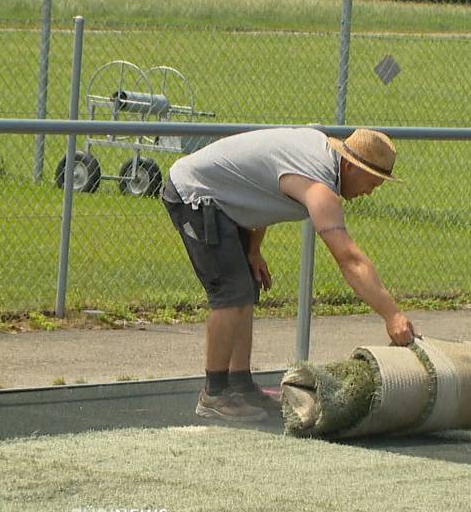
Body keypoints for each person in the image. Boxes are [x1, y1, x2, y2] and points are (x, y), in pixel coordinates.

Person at [162, 127, 416, 422]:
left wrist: (253, 250)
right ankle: (214, 394)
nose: (369, 192)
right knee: (230, 294)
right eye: (371, 182)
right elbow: (349, 259)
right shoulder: (319, 188)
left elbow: (260, 189)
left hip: (224, 200)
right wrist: (392, 315)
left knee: (246, 287)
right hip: (195, 193)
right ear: (349, 165)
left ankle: (241, 387)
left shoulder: (318, 156)